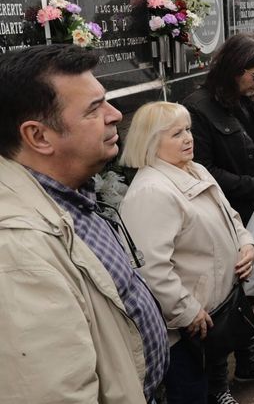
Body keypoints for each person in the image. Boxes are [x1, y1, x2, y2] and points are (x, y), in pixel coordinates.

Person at [0, 44, 167, 403]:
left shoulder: (67, 194)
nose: (116, 115)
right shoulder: (17, 249)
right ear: (39, 136)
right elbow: (54, 393)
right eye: (94, 109)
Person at [119, 102, 254, 404]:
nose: (188, 138)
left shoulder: (197, 169)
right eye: (176, 134)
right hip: (184, 330)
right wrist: (186, 310)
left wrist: (246, 243)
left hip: (213, 313)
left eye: (188, 130)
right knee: (190, 392)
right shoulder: (151, 192)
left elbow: (230, 217)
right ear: (151, 141)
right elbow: (151, 268)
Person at [182, 32, 254, 404]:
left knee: (248, 293)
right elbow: (204, 171)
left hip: (253, 213)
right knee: (224, 300)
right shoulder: (198, 108)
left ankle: (248, 362)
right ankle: (217, 386)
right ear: (233, 69)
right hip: (221, 217)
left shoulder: (247, 99)